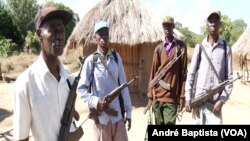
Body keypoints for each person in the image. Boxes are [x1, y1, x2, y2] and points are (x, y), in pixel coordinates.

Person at [12, 6, 74, 140]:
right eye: (53, 30)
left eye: (62, 30)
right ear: (39, 34)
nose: (59, 36)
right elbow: (21, 138)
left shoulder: (69, 77)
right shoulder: (25, 84)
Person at [77, 21, 132, 141]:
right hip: (101, 120)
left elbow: (124, 86)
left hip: (117, 118)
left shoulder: (116, 58)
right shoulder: (91, 61)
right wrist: (96, 102)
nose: (103, 37)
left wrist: (128, 112)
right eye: (100, 34)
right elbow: (81, 89)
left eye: (106, 34)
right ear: (95, 38)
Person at [185, 11, 233, 124]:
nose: (213, 23)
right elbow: (191, 74)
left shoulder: (226, 48)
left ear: (220, 24)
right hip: (198, 103)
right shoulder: (199, 47)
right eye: (210, 20)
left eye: (216, 20)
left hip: (215, 106)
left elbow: (229, 80)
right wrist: (188, 97)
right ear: (207, 24)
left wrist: (222, 100)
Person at [146, 16, 187, 125]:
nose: (167, 28)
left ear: (173, 27)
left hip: (171, 98)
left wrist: (182, 96)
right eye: (165, 25)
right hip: (157, 97)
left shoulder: (181, 47)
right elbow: (153, 73)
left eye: (169, 25)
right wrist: (150, 97)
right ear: (162, 27)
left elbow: (183, 74)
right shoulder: (158, 48)